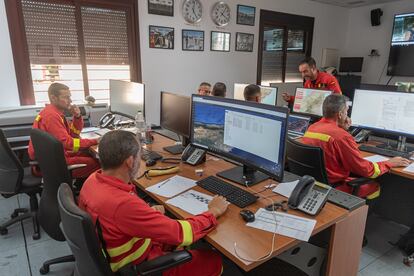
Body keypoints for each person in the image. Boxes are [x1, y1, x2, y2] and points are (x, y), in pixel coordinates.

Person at [78, 130, 227, 275]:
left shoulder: (92, 181)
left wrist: (147, 213)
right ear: (130, 162)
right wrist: (214, 211)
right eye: (138, 156)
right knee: (213, 260)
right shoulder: (122, 204)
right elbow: (181, 233)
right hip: (137, 267)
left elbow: (118, 219)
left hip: (121, 249)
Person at [301, 94, 410, 198]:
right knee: (374, 186)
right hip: (333, 188)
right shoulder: (342, 136)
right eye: (346, 112)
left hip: (313, 184)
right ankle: (362, 216)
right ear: (339, 114)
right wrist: (389, 163)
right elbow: (367, 170)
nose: (347, 115)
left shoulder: (312, 128)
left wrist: (342, 129)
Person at [28, 83, 99, 179]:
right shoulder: (51, 116)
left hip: (56, 155)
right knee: (100, 163)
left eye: (70, 97)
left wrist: (77, 116)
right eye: (66, 97)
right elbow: (69, 143)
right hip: (52, 164)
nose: (70, 101)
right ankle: (87, 192)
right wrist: (96, 140)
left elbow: (74, 134)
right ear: (53, 98)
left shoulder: (56, 113)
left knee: (88, 153)